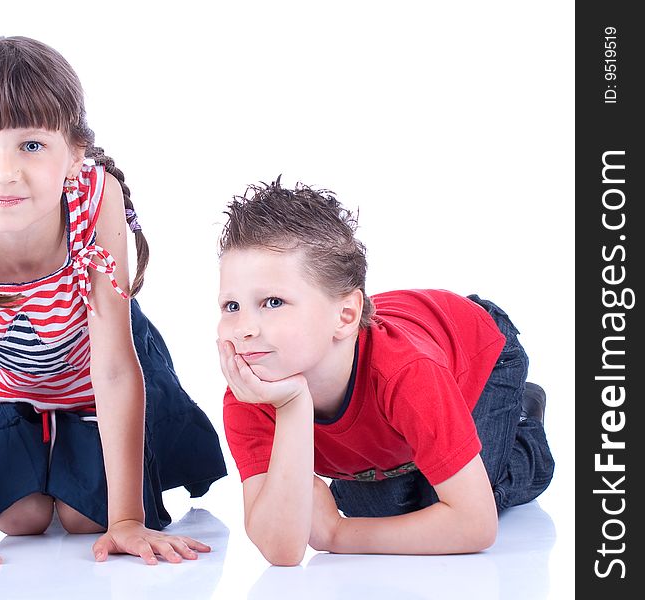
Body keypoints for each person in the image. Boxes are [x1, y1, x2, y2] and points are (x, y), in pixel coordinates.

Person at [0, 36, 226, 576]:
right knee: (21, 519)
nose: (6, 171)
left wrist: (127, 519)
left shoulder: (95, 197)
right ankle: (32, 448)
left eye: (32, 145)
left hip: (90, 375)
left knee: (90, 519)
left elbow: (112, 367)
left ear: (74, 154)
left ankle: (78, 457)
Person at [216, 179, 554, 565]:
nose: (244, 328)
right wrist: (293, 406)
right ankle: (422, 457)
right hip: (390, 426)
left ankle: (522, 421)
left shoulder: (406, 373)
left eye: (273, 302)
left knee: (439, 502)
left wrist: (339, 535)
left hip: (478, 359)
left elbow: (475, 525)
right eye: (231, 306)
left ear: (345, 316)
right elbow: (281, 549)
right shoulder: (251, 392)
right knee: (387, 511)